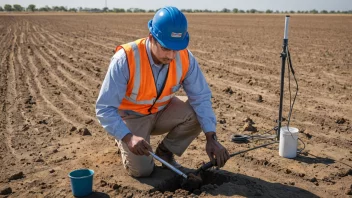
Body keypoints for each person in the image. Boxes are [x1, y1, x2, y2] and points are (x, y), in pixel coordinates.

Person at [96, 6, 229, 177]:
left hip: (162, 111)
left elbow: (201, 97)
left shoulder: (185, 58)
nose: (172, 56)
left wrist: (211, 138)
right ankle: (122, 138)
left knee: (197, 113)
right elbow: (104, 108)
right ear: (152, 38)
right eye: (166, 48)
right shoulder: (126, 59)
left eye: (176, 49)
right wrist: (128, 137)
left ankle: (165, 152)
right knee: (142, 171)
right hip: (132, 117)